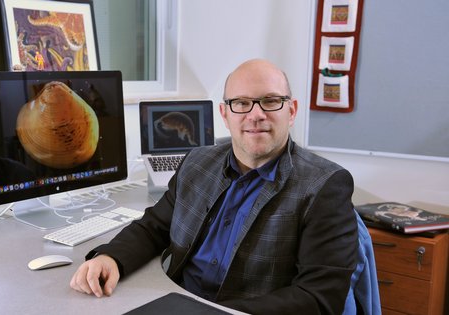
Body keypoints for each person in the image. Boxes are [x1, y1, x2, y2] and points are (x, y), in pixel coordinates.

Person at [70, 59, 358, 314]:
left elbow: (318, 299)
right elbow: (155, 227)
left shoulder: (325, 186)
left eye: (270, 101)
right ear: (225, 113)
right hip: (175, 301)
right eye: (241, 103)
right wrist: (111, 257)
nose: (255, 115)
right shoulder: (197, 162)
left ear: (291, 111)